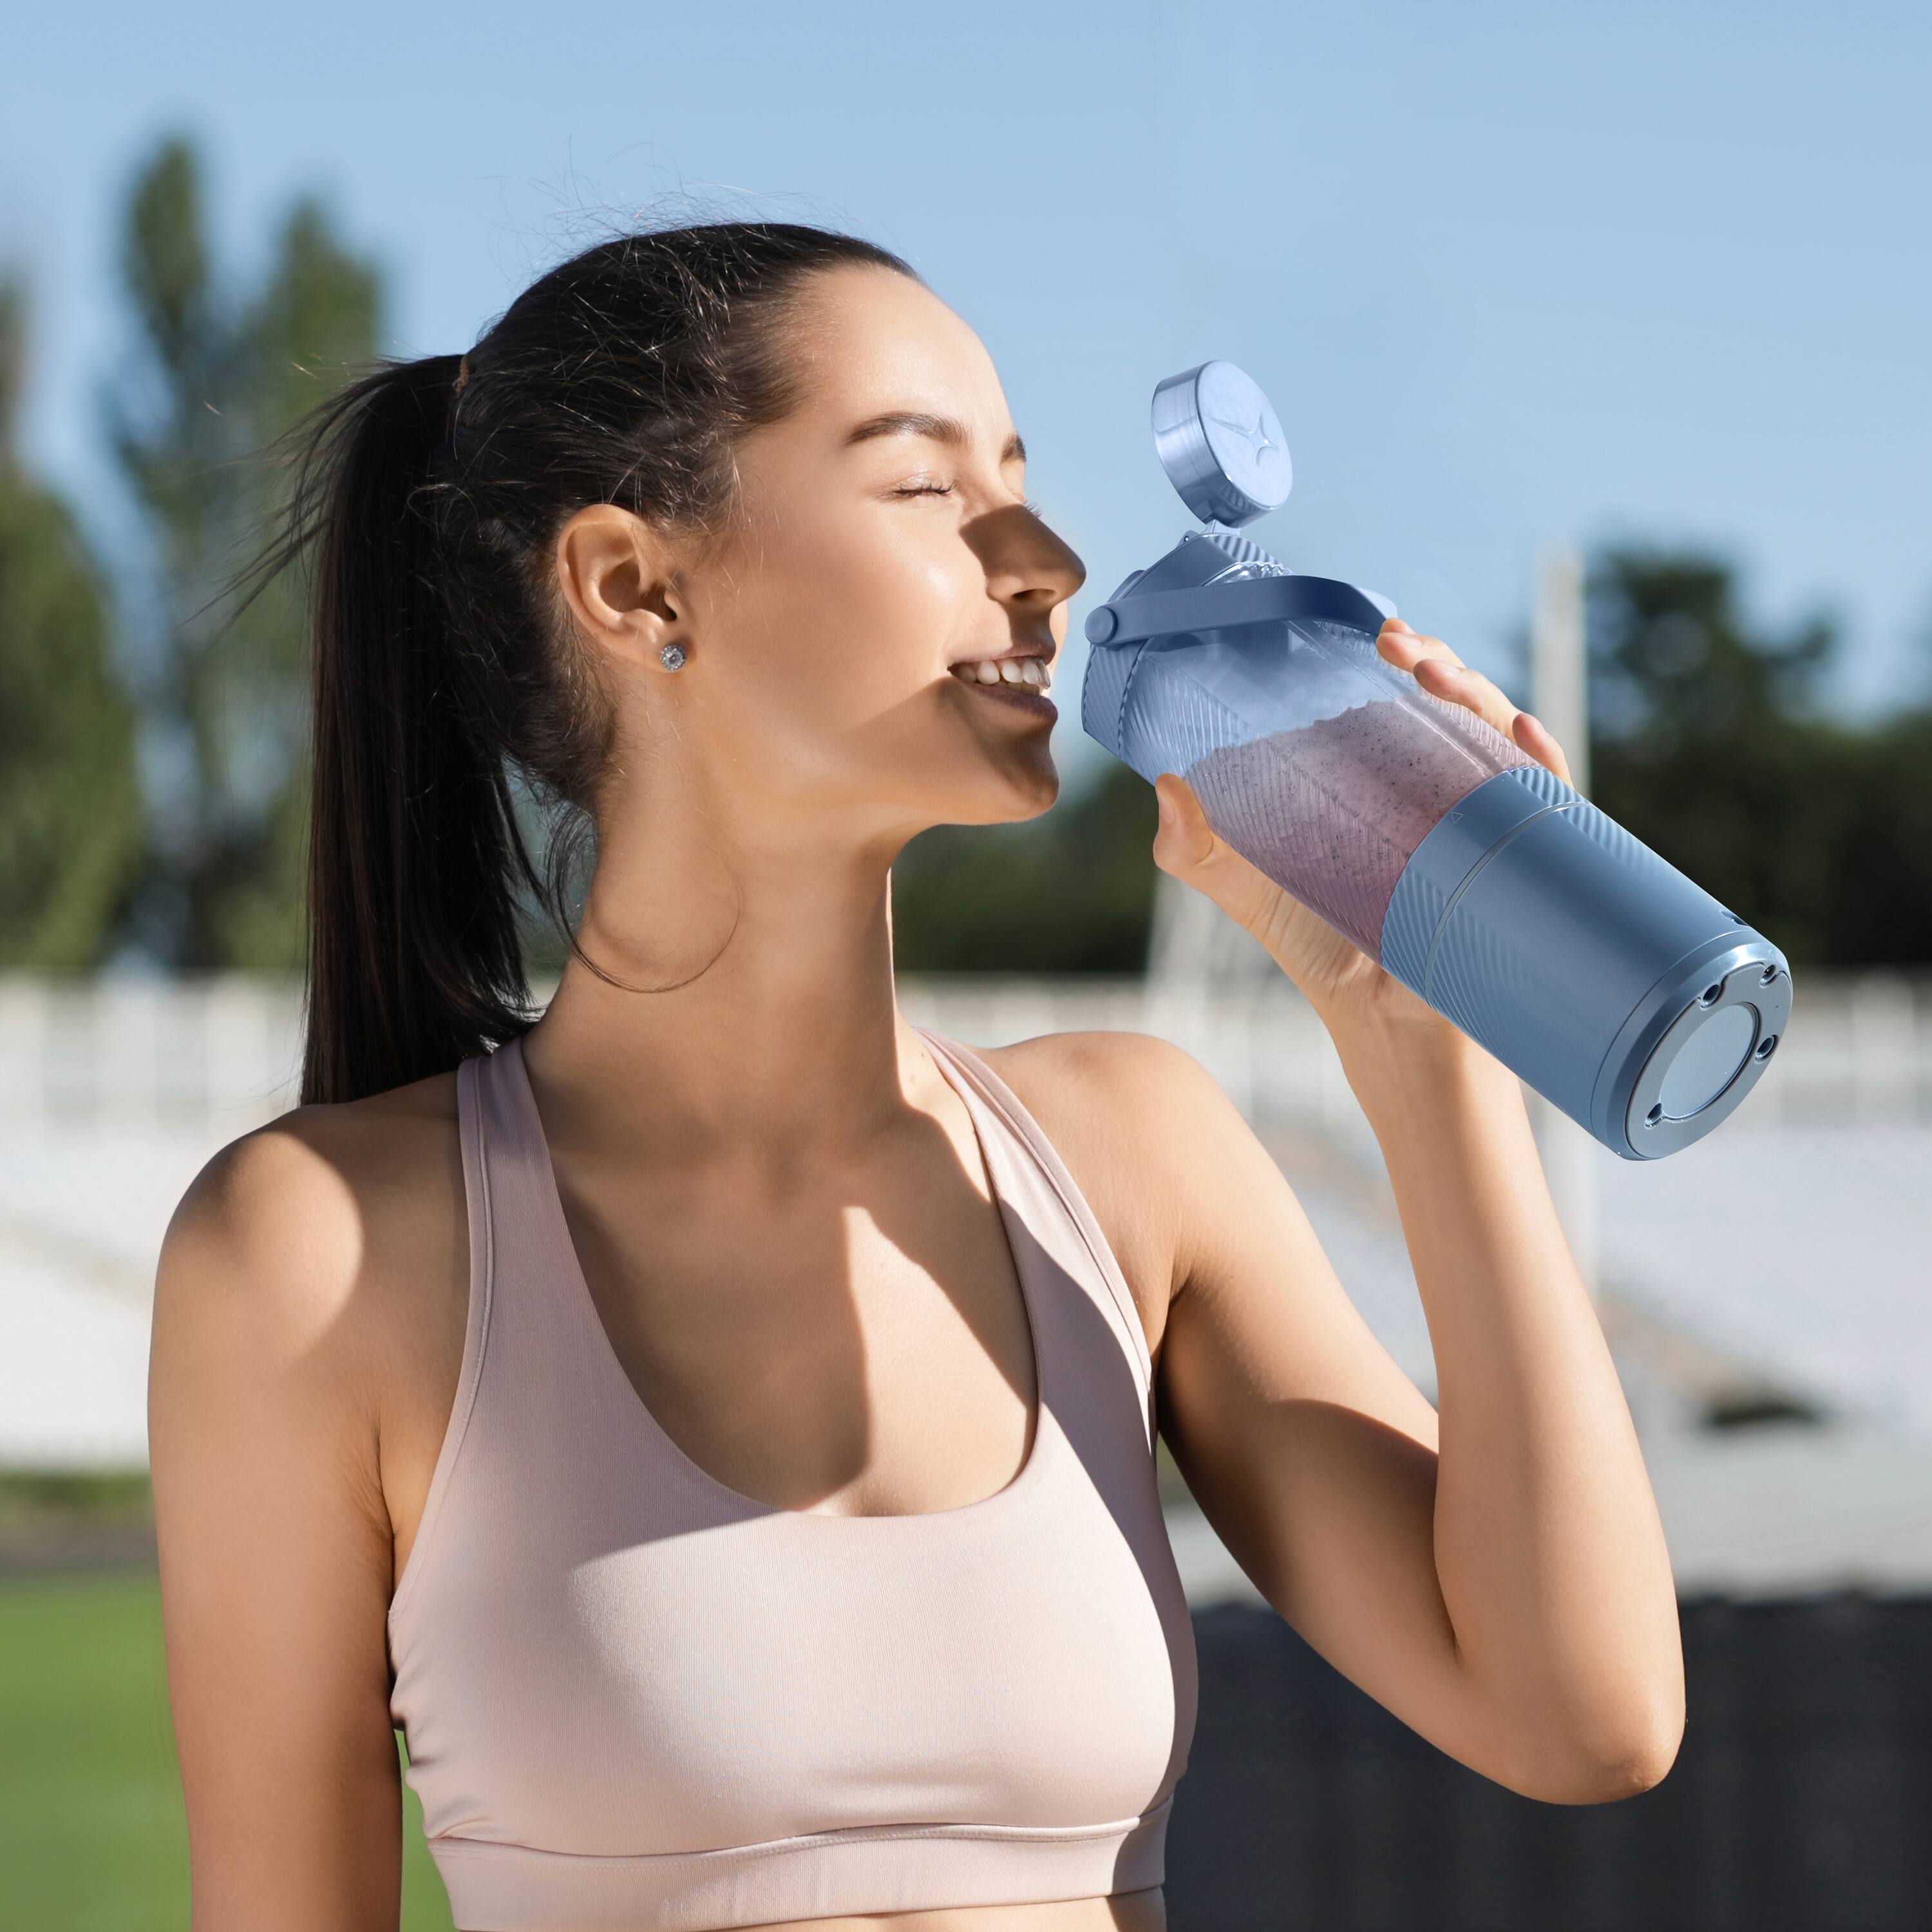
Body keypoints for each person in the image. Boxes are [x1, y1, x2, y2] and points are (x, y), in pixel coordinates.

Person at [147, 220, 1683, 1932]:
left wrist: (1422, 1047)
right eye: (928, 491)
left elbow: (1584, 1716)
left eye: (1018, 477)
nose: (1040, 557)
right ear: (635, 585)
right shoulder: (319, 1255)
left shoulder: (1132, 1158)